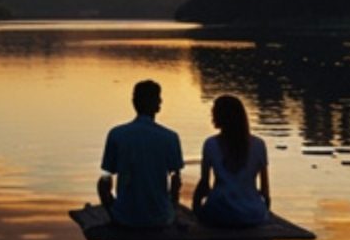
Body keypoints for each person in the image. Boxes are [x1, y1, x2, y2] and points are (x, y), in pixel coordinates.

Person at [98, 79, 184, 227]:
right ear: (158, 105)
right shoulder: (170, 137)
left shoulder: (116, 134)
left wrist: (110, 205)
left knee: (104, 181)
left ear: (134, 103)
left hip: (124, 217)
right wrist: (172, 206)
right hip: (160, 217)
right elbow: (176, 180)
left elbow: (106, 177)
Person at [191, 94, 270, 227]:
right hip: (253, 213)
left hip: (220, 212)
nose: (212, 118)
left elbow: (204, 185)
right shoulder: (259, 145)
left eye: (214, 114)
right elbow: (265, 191)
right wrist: (264, 211)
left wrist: (196, 207)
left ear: (222, 117)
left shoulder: (210, 144)